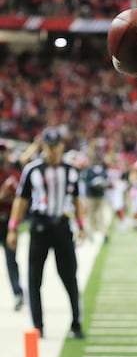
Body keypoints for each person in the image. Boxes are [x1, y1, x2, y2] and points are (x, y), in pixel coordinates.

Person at [6, 127, 86, 339]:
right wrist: (13, 228)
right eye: (49, 146)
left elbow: (77, 200)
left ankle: (76, 323)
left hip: (62, 226)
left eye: (55, 146)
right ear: (43, 146)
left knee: (69, 276)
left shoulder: (70, 170)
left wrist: (81, 225)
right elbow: (21, 200)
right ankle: (38, 326)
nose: (52, 150)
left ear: (62, 146)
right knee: (34, 279)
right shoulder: (33, 169)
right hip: (40, 226)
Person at [0, 141, 24, 311]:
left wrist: (13, 196)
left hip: (8, 221)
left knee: (11, 259)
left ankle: (18, 293)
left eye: (3, 152)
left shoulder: (14, 174)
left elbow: (23, 200)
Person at [81, 152, 110, 243]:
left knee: (100, 215)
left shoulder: (102, 170)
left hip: (99, 195)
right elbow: (86, 182)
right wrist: (94, 184)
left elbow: (106, 181)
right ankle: (90, 234)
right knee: (90, 215)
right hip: (91, 196)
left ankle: (103, 233)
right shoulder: (88, 170)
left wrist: (101, 184)